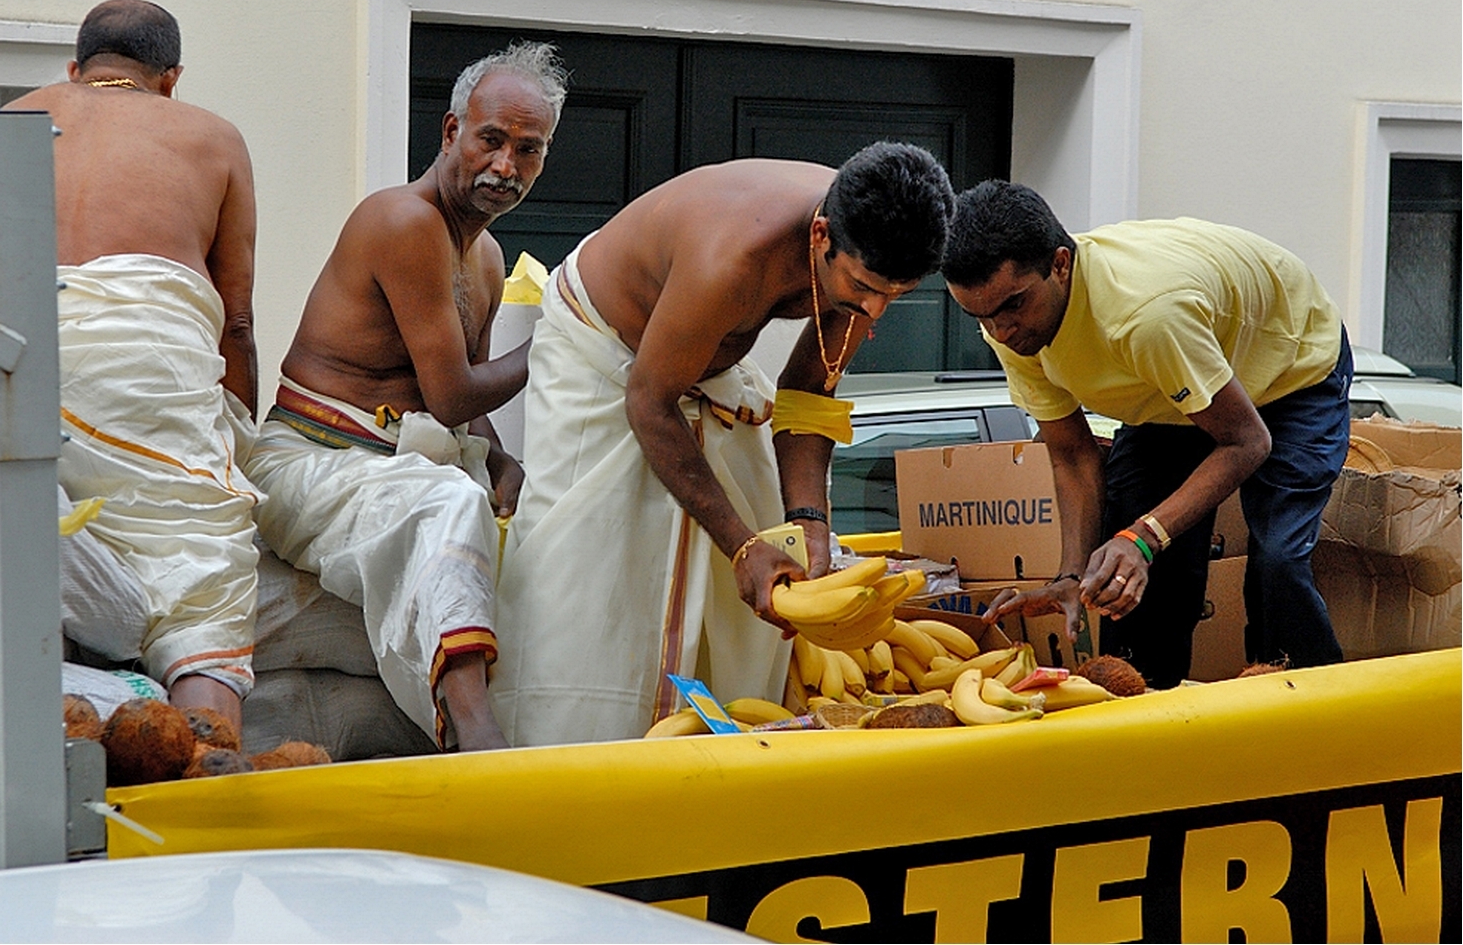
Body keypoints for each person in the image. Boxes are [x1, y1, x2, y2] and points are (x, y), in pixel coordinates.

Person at [492, 142, 955, 745]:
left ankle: (715, 754)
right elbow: (649, 402)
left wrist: (809, 521)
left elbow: (808, 393)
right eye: (865, 288)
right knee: (592, 576)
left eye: (896, 293)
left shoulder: (869, 244)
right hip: (602, 358)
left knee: (758, 569)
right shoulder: (733, 257)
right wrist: (741, 547)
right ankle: (562, 752)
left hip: (688, 371)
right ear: (820, 235)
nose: (874, 310)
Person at [0, 0, 263, 732]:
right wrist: (233, 447)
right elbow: (237, 321)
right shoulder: (212, 135)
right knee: (200, 584)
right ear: (171, 78)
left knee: (26, 552)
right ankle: (204, 763)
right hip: (143, 370)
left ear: (74, 69)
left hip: (7, 365)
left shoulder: (3, 124)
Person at [243, 42, 566, 752]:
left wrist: (501, 461)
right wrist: (565, 331)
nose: (505, 167)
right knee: (446, 502)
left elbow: (463, 400)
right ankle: (477, 736)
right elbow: (450, 397)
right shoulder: (403, 220)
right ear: (451, 132)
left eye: (528, 150)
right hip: (313, 463)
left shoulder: (486, 256)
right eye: (490, 140)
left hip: (391, 470)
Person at [943, 180, 1349, 688]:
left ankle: (1309, 704)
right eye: (980, 316)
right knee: (1126, 572)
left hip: (1290, 369)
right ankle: (1146, 705)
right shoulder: (1012, 327)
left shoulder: (1145, 316)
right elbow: (1073, 455)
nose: (1000, 332)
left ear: (1060, 265)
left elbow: (1248, 442)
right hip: (1174, 387)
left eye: (1013, 306)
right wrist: (1071, 576)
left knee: (1277, 562)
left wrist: (1146, 535)